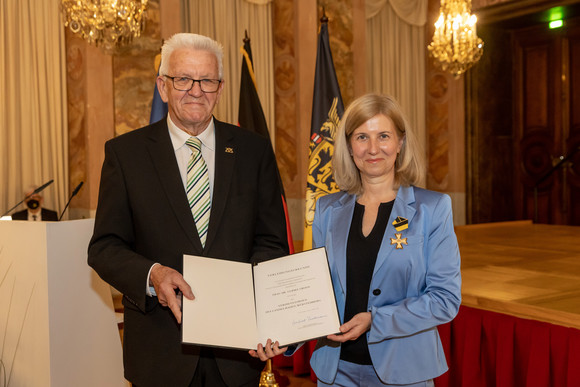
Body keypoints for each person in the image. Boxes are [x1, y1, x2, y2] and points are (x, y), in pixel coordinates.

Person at [88, 33, 289, 387]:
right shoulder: (126, 154)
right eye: (183, 79)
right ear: (162, 86)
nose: (196, 90)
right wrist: (153, 274)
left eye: (207, 80)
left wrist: (267, 315)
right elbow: (104, 248)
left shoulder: (253, 151)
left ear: (220, 87)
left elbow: (271, 242)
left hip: (238, 353)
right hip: (160, 353)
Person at [309, 93, 461, 386]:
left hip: (405, 373)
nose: (373, 148)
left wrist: (375, 320)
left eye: (383, 136)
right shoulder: (327, 210)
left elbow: (445, 299)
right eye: (362, 137)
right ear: (349, 145)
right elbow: (315, 293)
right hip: (335, 373)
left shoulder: (432, 208)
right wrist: (287, 337)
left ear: (400, 142)